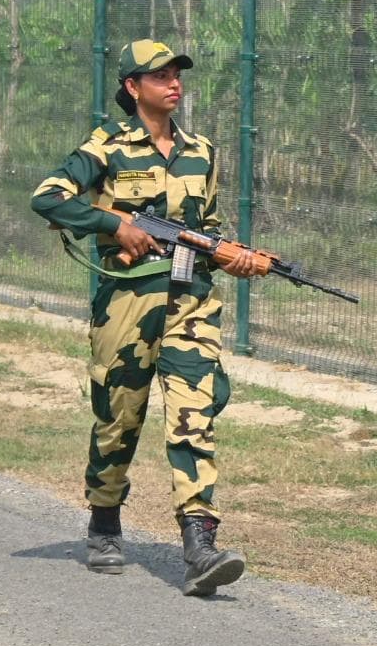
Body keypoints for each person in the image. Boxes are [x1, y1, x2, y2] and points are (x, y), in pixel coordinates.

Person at [29, 39, 271, 596]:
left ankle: (199, 540)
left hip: (191, 303)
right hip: (127, 305)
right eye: (159, 75)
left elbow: (205, 228)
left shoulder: (201, 151)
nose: (173, 83)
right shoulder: (106, 147)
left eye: (177, 74)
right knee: (119, 420)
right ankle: (105, 518)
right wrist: (114, 226)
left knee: (194, 414)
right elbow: (47, 197)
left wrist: (237, 257)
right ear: (133, 87)